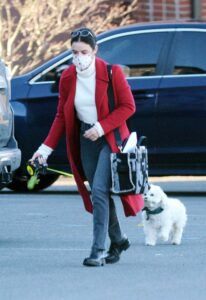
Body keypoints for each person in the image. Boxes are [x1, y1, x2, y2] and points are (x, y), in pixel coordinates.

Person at [30, 27, 144, 267]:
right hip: (85, 140)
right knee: (98, 193)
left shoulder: (112, 73)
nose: (78, 57)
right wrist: (44, 149)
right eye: (74, 52)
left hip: (110, 138)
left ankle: (98, 251)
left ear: (94, 51)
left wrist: (102, 127)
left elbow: (128, 107)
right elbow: (61, 115)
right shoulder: (68, 77)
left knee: (100, 190)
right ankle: (119, 240)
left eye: (83, 51)